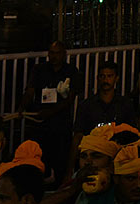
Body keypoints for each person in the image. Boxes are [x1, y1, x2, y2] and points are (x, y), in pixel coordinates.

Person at [21, 42, 80, 185]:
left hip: (60, 123)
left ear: (64, 54)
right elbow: (30, 91)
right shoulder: (39, 69)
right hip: (41, 123)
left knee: (60, 160)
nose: (53, 56)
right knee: (40, 158)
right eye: (51, 53)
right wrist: (22, 107)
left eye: (57, 53)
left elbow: (70, 99)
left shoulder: (71, 71)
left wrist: (50, 112)